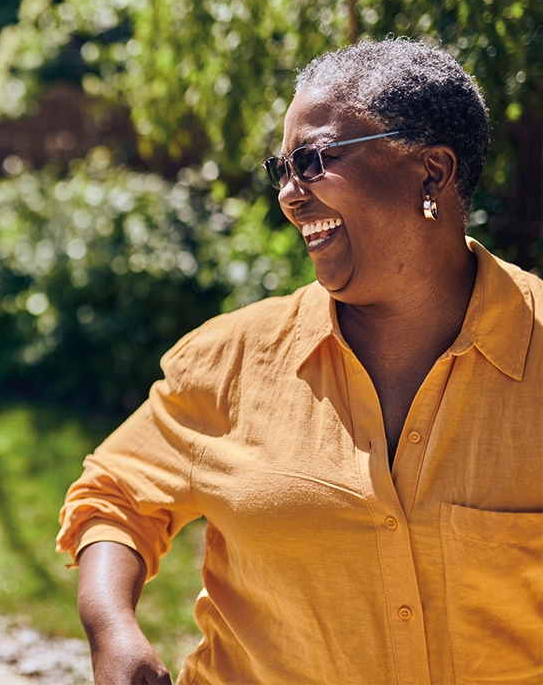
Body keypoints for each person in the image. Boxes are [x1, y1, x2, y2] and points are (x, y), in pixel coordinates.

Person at [58, 38, 542, 685]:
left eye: (313, 162)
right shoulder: (229, 360)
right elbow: (115, 496)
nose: (290, 194)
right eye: (280, 169)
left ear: (432, 172)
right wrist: (112, 630)